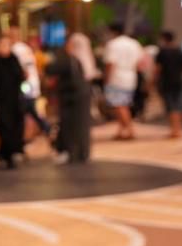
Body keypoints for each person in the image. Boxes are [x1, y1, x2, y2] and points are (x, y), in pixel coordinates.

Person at [47, 33, 93, 163]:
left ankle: (69, 152)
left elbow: (50, 69)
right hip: (81, 96)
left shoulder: (68, 59)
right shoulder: (78, 60)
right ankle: (82, 152)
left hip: (71, 99)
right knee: (81, 125)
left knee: (70, 126)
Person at [103, 23, 143, 140]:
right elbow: (140, 62)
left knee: (119, 105)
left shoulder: (113, 44)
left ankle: (130, 130)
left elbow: (111, 63)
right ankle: (121, 130)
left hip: (117, 77)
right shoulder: (134, 43)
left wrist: (106, 79)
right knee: (124, 104)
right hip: (131, 76)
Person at [0, 36, 26, 169]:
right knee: (4, 127)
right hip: (0, 101)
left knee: (15, 126)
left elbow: (20, 76)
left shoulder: (13, 60)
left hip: (15, 100)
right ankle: (5, 154)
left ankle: (15, 151)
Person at [154, 31, 182, 138]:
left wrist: (152, 82)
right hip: (179, 81)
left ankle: (175, 130)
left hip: (167, 81)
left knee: (171, 106)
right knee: (178, 105)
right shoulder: (180, 51)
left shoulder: (162, 52)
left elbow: (158, 69)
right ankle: (178, 129)